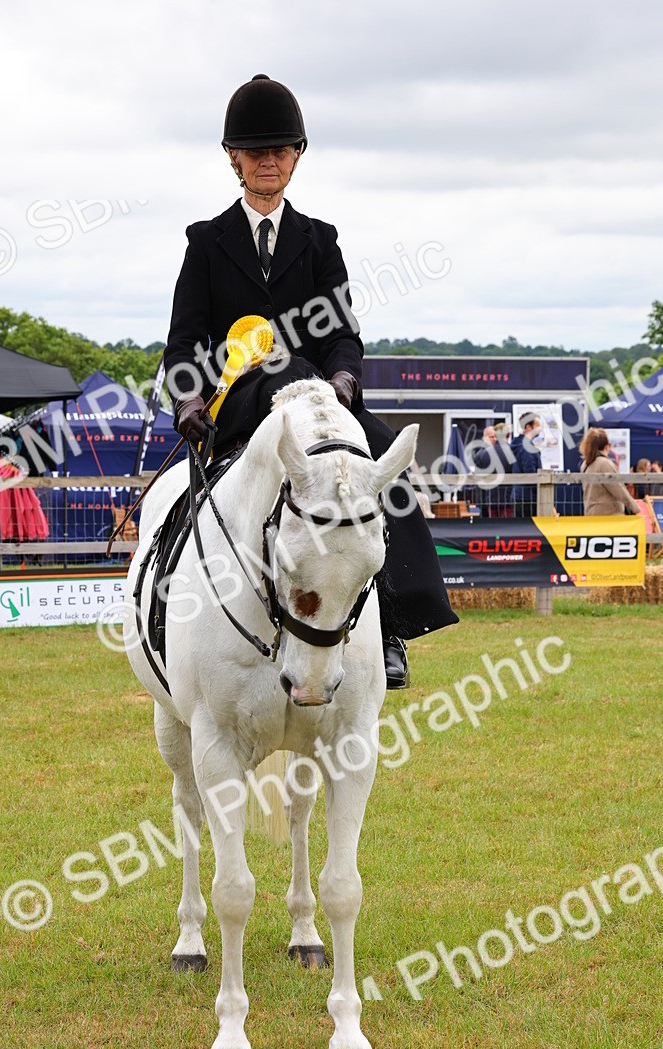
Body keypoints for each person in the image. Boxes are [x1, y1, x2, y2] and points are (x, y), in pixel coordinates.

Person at [163, 74, 458, 688]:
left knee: (380, 457)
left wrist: (345, 382)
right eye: (255, 152)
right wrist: (189, 399)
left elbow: (343, 334)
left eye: (279, 150)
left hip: (322, 403)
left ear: (297, 157)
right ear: (233, 160)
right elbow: (183, 342)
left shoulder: (320, 241)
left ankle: (395, 623)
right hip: (240, 403)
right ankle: (169, 614)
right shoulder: (205, 244)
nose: (267, 161)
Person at [578, 429, 641, 516]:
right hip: (609, 516)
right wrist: (636, 508)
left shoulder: (586, 464)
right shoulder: (604, 463)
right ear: (607, 446)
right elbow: (618, 490)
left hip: (591, 514)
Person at [470, 424, 514, 517]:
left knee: (492, 527)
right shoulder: (512, 451)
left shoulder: (483, 453)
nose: (493, 439)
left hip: (490, 498)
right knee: (507, 527)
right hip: (508, 497)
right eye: (491, 437)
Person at [510, 412, 542, 519]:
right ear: (528, 427)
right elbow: (531, 474)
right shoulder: (527, 448)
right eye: (537, 425)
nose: (540, 429)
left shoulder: (518, 444)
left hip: (519, 494)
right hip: (528, 498)